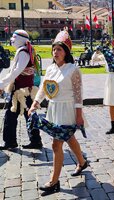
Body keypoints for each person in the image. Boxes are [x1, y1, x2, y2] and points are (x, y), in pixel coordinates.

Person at [28, 31, 87, 195]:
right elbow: (43, 88)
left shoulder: (73, 70)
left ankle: (54, 181)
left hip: (67, 109)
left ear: (66, 52)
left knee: (56, 144)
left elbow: (78, 94)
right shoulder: (51, 68)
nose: (55, 52)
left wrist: (79, 114)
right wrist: (35, 103)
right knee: (68, 137)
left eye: (59, 49)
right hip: (54, 109)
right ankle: (82, 162)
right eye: (54, 49)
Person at [0, 30, 42, 150]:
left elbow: (16, 71)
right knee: (27, 115)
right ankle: (35, 140)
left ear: (20, 39)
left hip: (21, 91)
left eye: (14, 37)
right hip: (23, 89)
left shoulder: (23, 52)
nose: (12, 39)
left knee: (12, 115)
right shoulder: (25, 50)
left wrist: (2, 84)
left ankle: (11, 142)